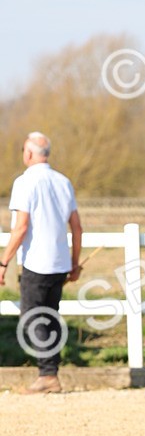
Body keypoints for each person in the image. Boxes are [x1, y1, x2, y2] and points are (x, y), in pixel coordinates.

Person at [0, 132, 82, 393]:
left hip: (36, 263)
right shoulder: (63, 182)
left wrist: (3, 262)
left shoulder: (25, 183)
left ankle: (47, 374)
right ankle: (51, 372)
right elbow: (77, 227)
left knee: (33, 317)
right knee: (51, 317)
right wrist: (75, 262)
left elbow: (21, 227)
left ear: (29, 154)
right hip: (59, 262)